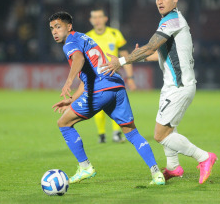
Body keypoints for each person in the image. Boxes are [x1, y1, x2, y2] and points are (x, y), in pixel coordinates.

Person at [101, 0, 217, 184]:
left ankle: (204, 157)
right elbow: (161, 54)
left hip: (179, 87)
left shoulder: (172, 21)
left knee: (160, 134)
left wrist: (120, 61)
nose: (160, 2)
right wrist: (141, 56)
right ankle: (173, 167)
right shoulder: (170, 20)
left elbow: (149, 47)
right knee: (168, 127)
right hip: (171, 86)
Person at [49, 11, 164, 185]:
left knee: (63, 123)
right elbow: (88, 76)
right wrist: (72, 100)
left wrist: (68, 81)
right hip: (116, 85)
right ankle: (157, 173)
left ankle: (85, 167)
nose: (55, 31)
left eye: (58, 27)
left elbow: (78, 60)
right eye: (52, 29)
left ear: (69, 27)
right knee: (132, 132)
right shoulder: (84, 38)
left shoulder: (70, 43)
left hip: (101, 89)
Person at [86, 7, 137, 143]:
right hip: (95, 77)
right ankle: (101, 135)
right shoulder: (87, 37)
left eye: (99, 17)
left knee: (116, 104)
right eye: (94, 17)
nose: (97, 20)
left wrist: (130, 77)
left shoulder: (115, 34)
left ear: (105, 19)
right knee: (98, 106)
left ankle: (116, 133)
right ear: (91, 20)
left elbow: (125, 57)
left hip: (114, 75)